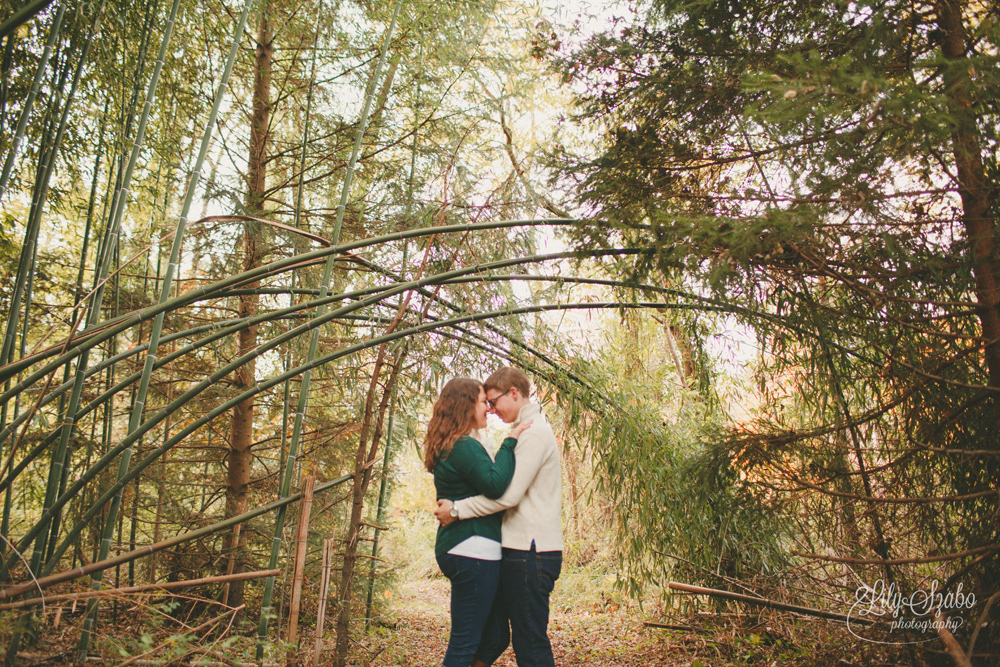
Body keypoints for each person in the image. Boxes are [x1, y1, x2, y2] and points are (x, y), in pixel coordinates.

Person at [435, 367, 562, 667]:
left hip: (531, 551)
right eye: (485, 403)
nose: (490, 409)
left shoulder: (533, 432)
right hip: (518, 550)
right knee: (500, 638)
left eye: (492, 401)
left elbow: (506, 495)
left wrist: (456, 510)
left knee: (529, 642)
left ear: (513, 393)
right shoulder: (522, 430)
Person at [425, 377, 533, 667]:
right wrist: (510, 441)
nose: (488, 408)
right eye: (483, 402)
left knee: (496, 637)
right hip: (471, 549)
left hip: (474, 549)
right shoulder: (461, 446)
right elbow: (495, 484)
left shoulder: (463, 444)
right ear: (466, 405)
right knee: (464, 642)